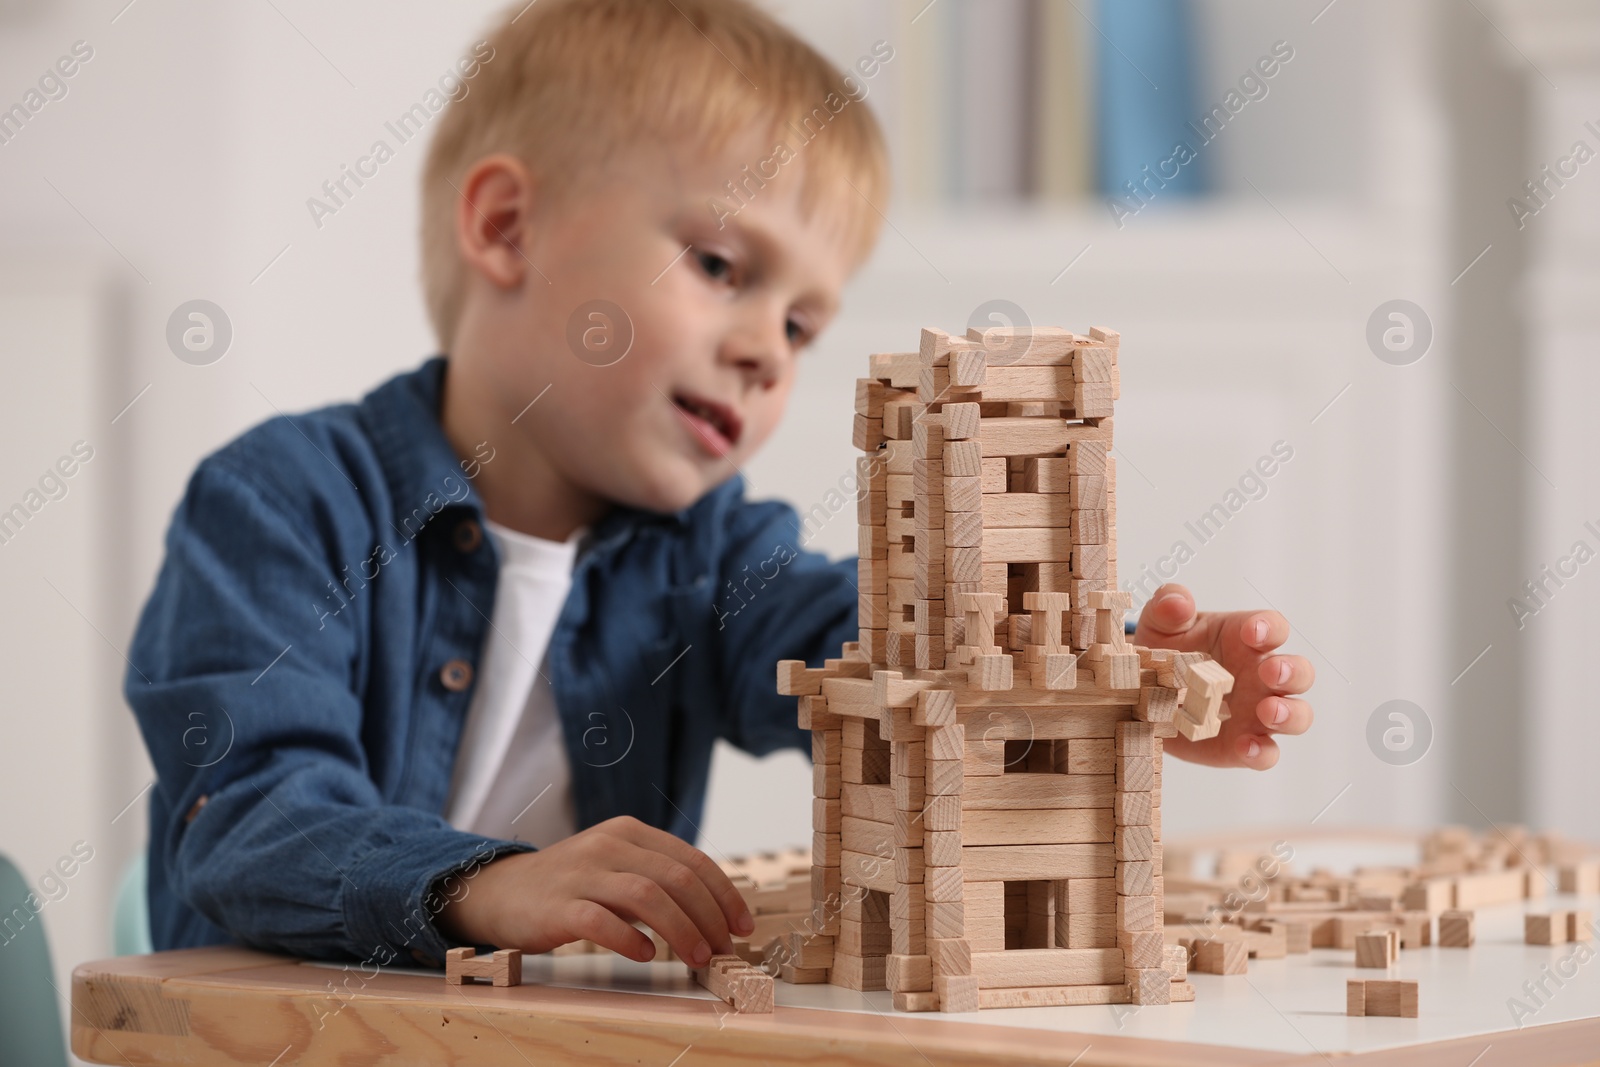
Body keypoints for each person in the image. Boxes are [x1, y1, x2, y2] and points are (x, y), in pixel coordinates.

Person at [126, 0, 1314, 974]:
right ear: (504, 225)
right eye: (719, 266)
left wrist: (1106, 673)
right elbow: (245, 814)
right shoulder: (277, 501)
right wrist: (483, 882)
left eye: (802, 323)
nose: (766, 349)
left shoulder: (706, 552)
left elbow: (879, 636)